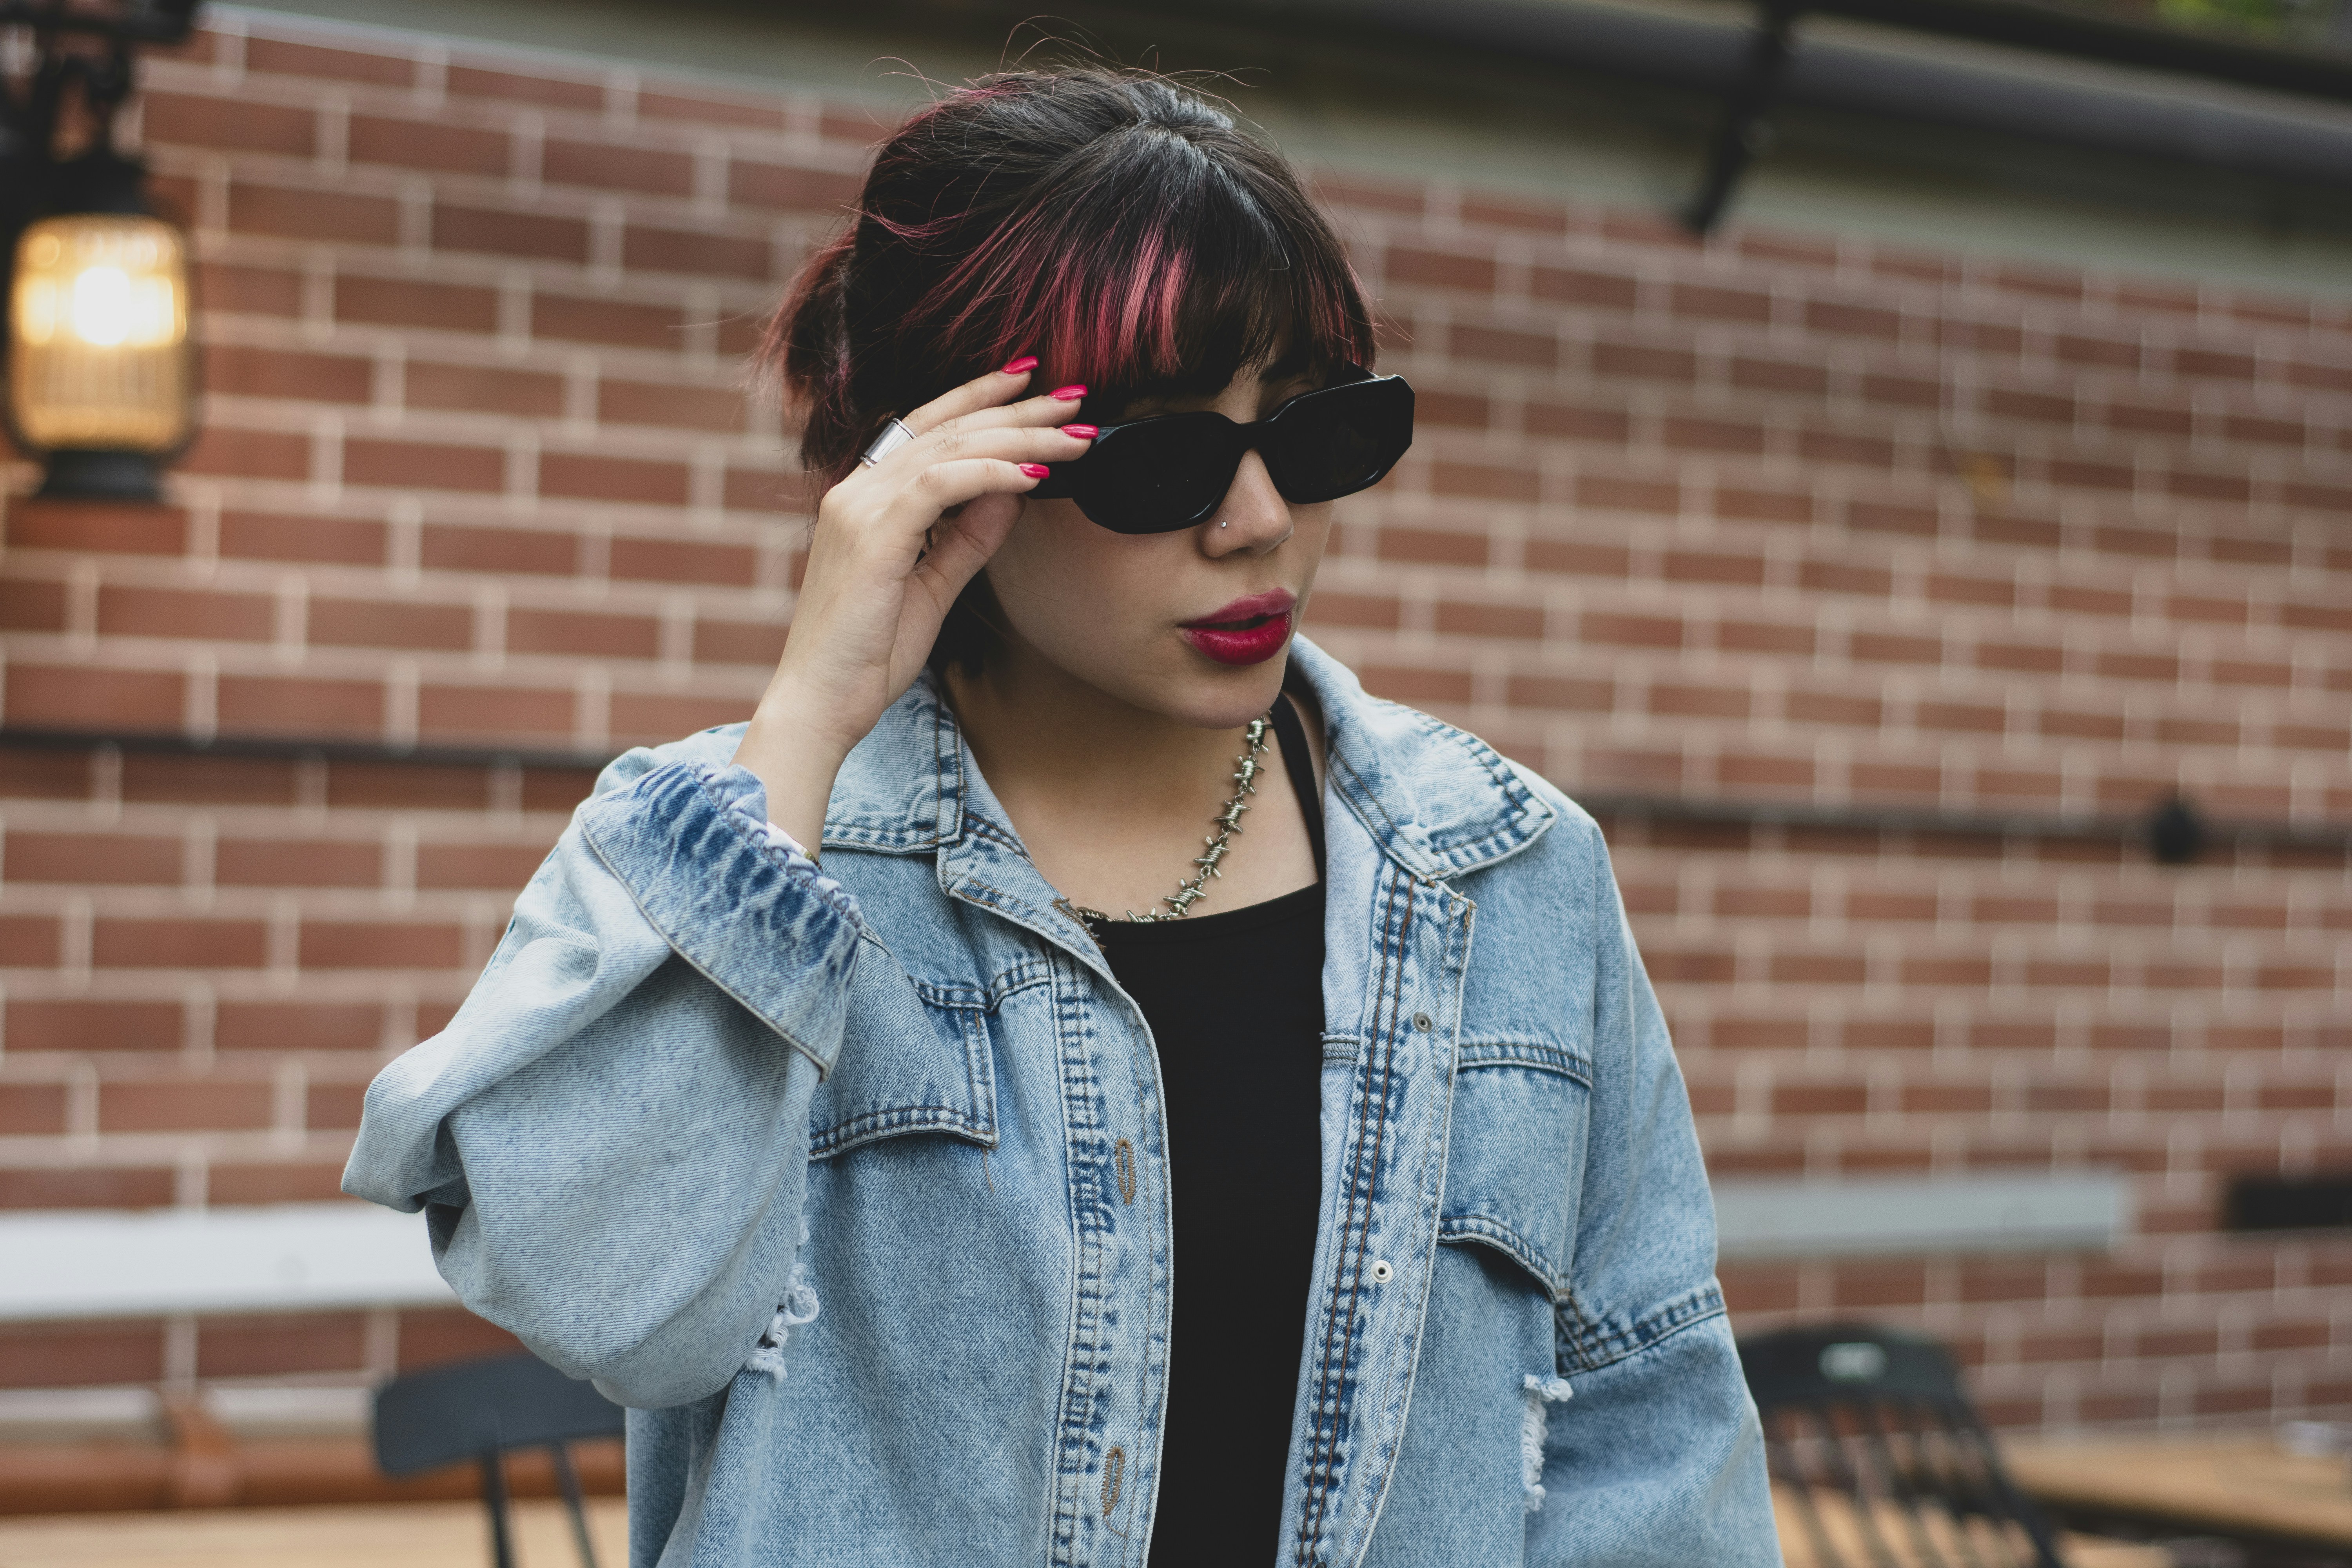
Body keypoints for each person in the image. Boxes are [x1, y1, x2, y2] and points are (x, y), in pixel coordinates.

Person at [345, 65, 1778, 1568]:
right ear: (957, 474)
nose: (1258, 522)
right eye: (1160, 458)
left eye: (1313, 432)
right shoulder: (740, 850)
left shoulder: (1512, 869)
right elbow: (604, 1301)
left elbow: (1654, 1437)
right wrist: (814, 714)